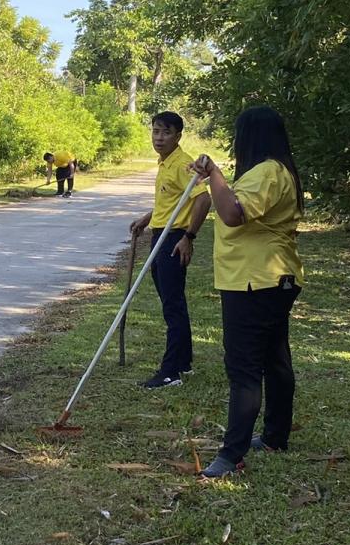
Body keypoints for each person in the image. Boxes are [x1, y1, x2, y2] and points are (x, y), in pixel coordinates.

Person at [189, 105, 305, 478]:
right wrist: (214, 178)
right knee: (274, 359)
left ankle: (231, 455)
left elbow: (233, 213)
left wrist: (216, 175)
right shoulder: (274, 171)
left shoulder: (268, 171)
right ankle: (275, 436)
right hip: (270, 279)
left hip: (255, 282)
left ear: (248, 137)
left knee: (244, 369)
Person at [128, 111, 212, 389]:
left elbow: (203, 200)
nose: (159, 138)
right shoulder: (166, 163)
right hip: (160, 234)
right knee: (172, 301)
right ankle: (184, 361)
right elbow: (173, 201)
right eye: (155, 131)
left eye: (165, 133)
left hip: (173, 239)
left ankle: (170, 372)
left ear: (178, 136)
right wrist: (147, 218)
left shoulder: (183, 165)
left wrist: (189, 236)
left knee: (172, 306)